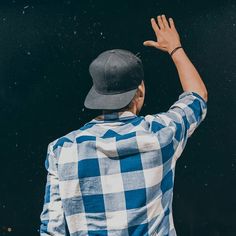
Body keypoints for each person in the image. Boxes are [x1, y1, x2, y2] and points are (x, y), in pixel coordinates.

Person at [40, 14, 208, 236]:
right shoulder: (161, 134)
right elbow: (197, 96)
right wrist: (175, 48)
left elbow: (52, 230)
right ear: (140, 91)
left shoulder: (61, 150)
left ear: (96, 94)